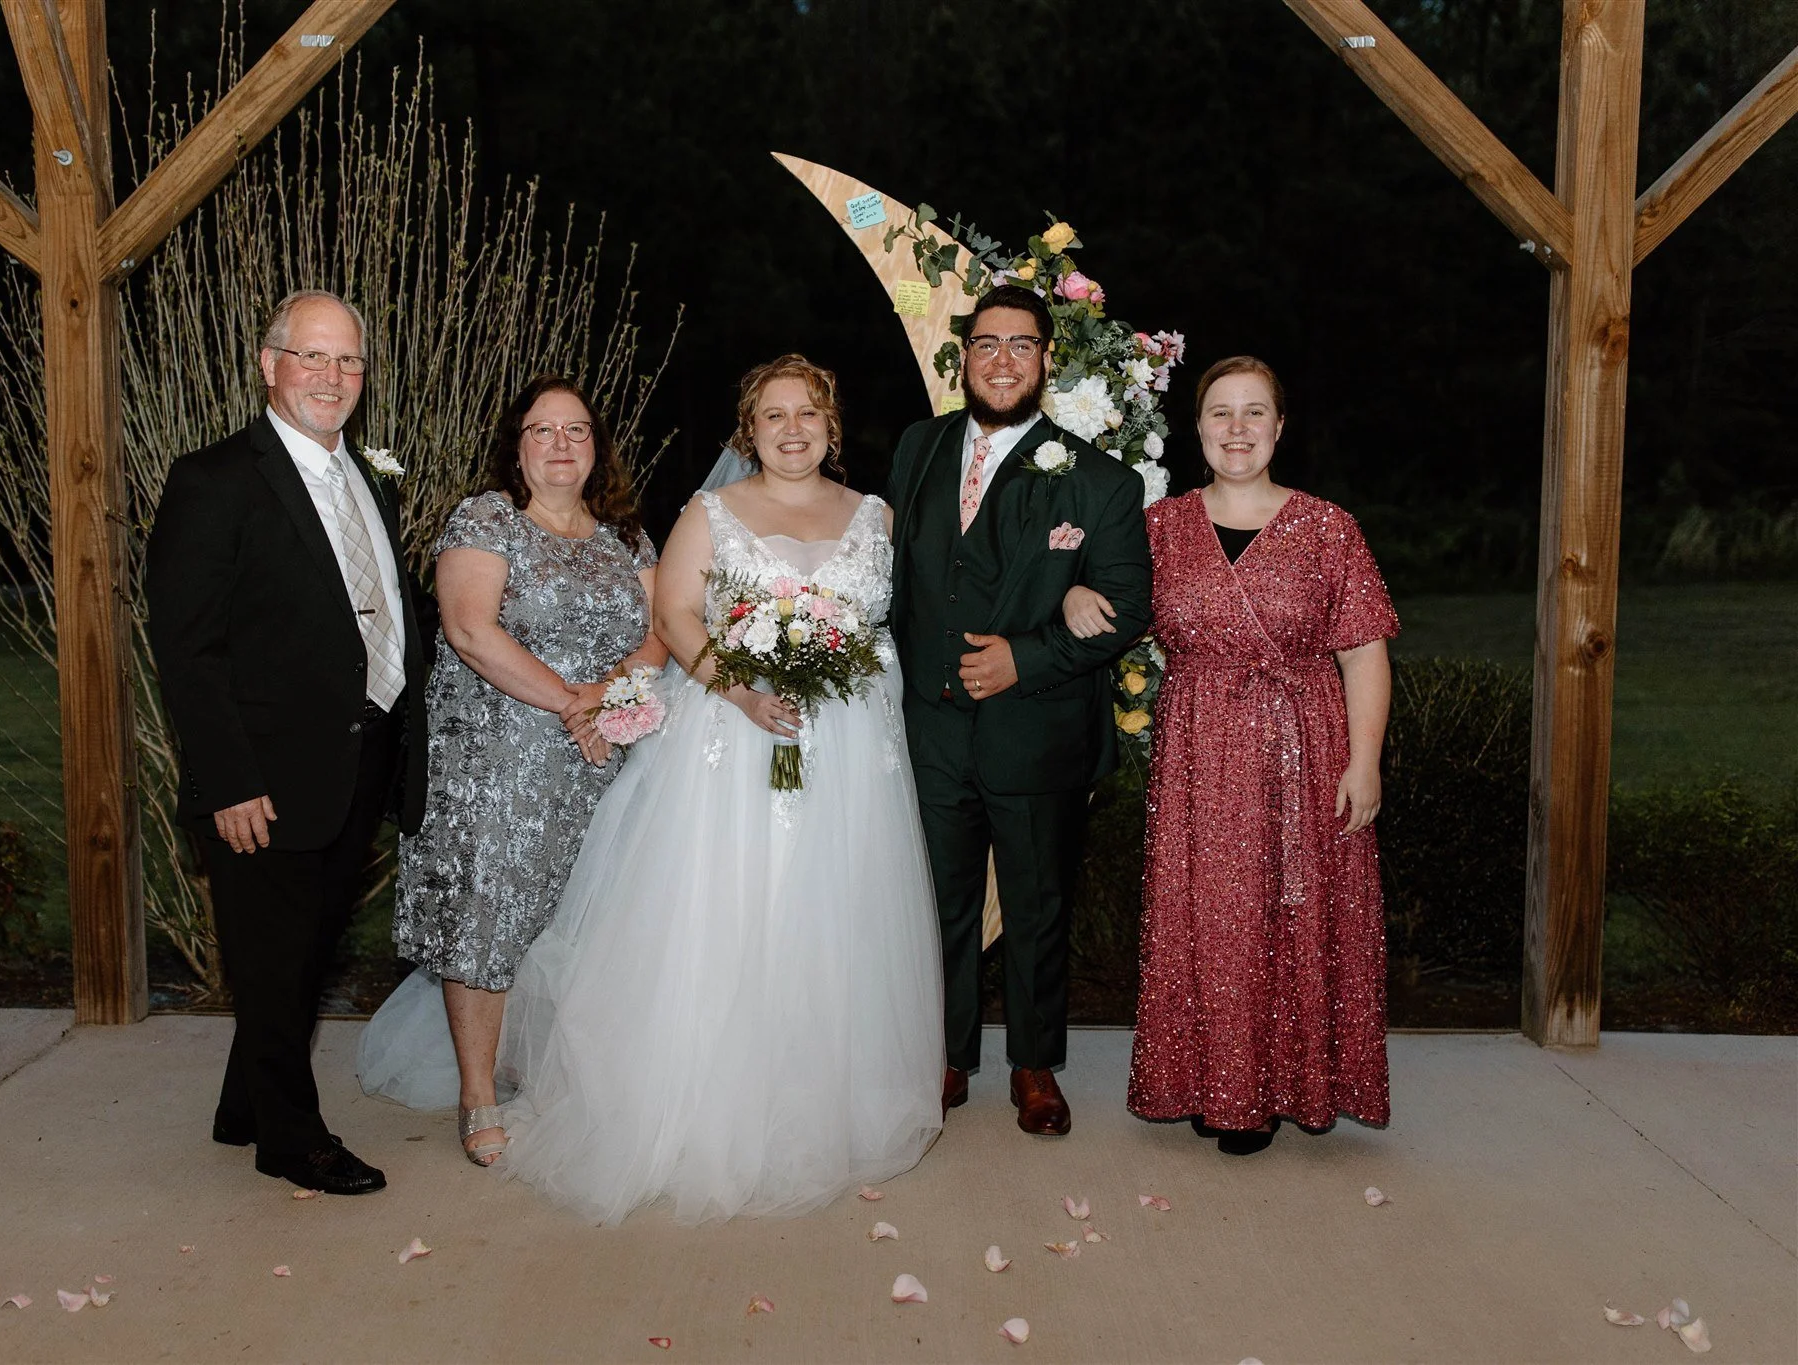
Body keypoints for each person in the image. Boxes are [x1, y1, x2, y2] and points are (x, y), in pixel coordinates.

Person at [494, 354, 944, 1225]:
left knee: (830, 916)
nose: (791, 429)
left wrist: (839, 675)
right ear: (750, 432)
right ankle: (706, 1105)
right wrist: (739, 688)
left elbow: (886, 628)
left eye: (807, 413)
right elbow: (674, 616)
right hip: (732, 744)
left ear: (832, 425)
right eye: (772, 415)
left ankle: (818, 1102)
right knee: (729, 913)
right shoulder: (710, 513)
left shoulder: (874, 517)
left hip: (848, 754)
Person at [1069, 355, 1397, 1155]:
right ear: (1198, 427)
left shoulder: (1328, 526)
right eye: (1222, 412)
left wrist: (1365, 762)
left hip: (1306, 750)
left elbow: (1363, 653)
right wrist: (1075, 590)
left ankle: (1290, 1084)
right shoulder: (1160, 527)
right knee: (1211, 918)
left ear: (1280, 427)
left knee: (1297, 914)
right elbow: (1109, 605)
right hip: (1200, 754)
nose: (1238, 428)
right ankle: (1215, 1085)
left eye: (1256, 412)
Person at [145, 289, 432, 1195]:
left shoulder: (368, 477)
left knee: (302, 951)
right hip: (262, 775)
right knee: (274, 954)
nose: (332, 377)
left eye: (348, 361)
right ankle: (291, 1137)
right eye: (312, 356)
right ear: (269, 364)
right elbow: (188, 648)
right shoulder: (215, 480)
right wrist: (228, 779)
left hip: (359, 756)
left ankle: (245, 1104)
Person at [362, 376, 665, 1166]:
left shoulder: (626, 539)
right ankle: (478, 1093)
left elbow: (658, 635)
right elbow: (469, 629)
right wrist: (573, 703)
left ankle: (562, 1076)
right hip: (494, 762)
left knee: (587, 921)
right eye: (543, 430)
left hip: (603, 760)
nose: (561, 444)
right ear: (517, 446)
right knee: (488, 916)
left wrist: (607, 697)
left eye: (577, 430)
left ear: (597, 447)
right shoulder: (487, 518)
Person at [887, 285, 1152, 1138]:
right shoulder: (917, 449)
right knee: (938, 901)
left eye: (1022, 345)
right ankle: (945, 1055)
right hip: (929, 728)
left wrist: (1025, 656)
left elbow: (1125, 606)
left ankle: (1035, 1064)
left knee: (1038, 906)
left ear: (1046, 360)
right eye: (986, 344)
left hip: (1038, 732)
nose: (1002, 361)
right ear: (962, 355)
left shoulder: (1101, 481)